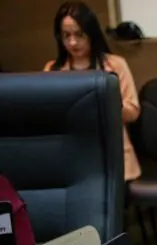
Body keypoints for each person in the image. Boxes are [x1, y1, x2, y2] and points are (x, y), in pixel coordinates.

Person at [45, 1, 141, 182]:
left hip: (112, 153)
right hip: (72, 154)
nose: (73, 42)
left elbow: (133, 111)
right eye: (66, 35)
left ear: (91, 33)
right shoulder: (52, 70)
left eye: (79, 34)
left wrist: (108, 106)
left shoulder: (115, 65)